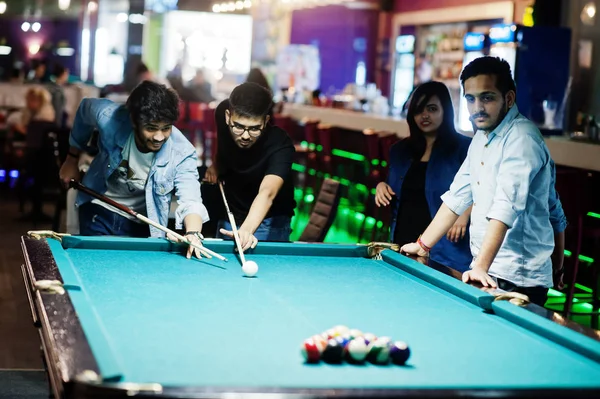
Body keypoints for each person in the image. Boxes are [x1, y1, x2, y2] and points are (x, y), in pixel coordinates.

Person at [401, 56, 567, 307]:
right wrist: (423, 245)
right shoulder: (482, 135)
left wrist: (480, 267)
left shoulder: (522, 139)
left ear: (508, 99)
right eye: (471, 98)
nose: (477, 107)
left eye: (487, 97)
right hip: (486, 269)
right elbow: (457, 195)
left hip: (517, 276)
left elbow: (505, 206)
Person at [59, 81, 209, 259]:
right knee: (96, 265)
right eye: (151, 128)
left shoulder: (182, 153)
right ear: (133, 120)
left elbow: (191, 199)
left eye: (166, 128)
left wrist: (193, 233)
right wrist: (71, 159)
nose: (159, 137)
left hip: (142, 222)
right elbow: (85, 108)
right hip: (99, 208)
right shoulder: (109, 117)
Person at [375, 81, 473, 273]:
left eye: (432, 109)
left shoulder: (465, 148)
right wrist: (382, 186)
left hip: (445, 248)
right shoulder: (400, 150)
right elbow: (399, 187)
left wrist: (466, 211)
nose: (424, 115)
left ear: (446, 111)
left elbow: (481, 190)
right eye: (419, 110)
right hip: (403, 240)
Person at [203, 82, 296, 250]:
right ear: (227, 116)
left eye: (254, 129)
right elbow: (224, 144)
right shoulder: (221, 115)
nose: (245, 136)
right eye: (238, 127)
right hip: (229, 212)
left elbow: (267, 193)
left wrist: (245, 230)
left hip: (268, 221)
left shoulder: (280, 144)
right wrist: (217, 163)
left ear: (266, 120)